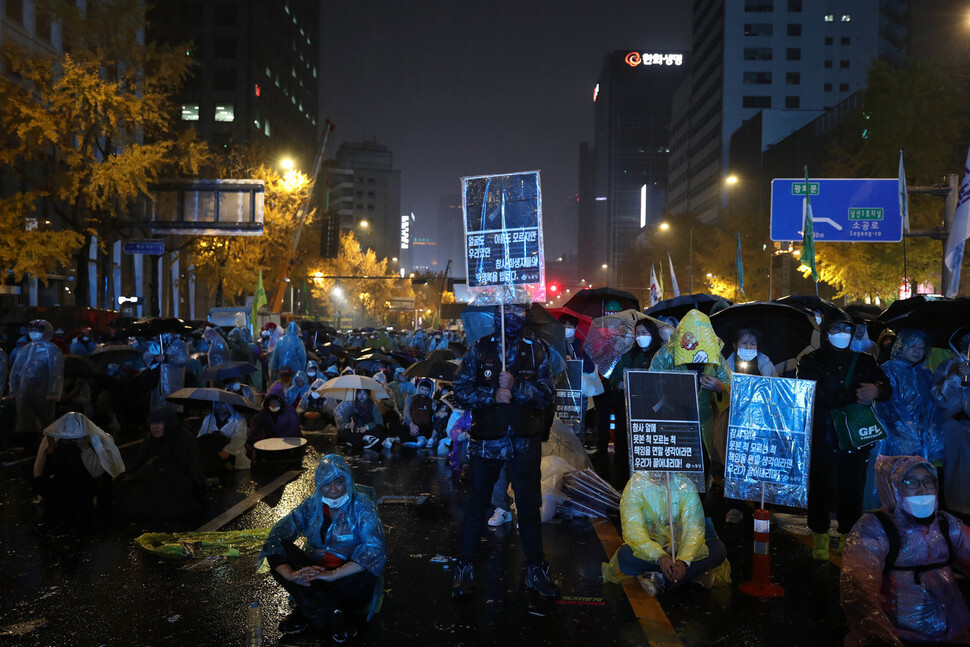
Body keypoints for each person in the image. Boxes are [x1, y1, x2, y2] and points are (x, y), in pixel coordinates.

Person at [451, 302, 558, 600]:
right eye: (507, 310)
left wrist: (517, 386)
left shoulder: (537, 349)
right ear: (497, 313)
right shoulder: (479, 349)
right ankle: (465, 567)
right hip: (486, 443)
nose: (513, 316)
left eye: (519, 310)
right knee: (476, 508)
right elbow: (459, 391)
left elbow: (547, 393)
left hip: (524, 443)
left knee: (528, 508)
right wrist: (492, 394)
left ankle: (536, 570)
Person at [841, 455, 970, 645]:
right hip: (901, 637)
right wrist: (881, 638)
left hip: (955, 636)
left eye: (928, 481)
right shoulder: (874, 528)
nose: (922, 488)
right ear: (892, 488)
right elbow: (858, 590)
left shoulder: (946, 525)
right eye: (911, 482)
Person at [797, 309, 891, 561]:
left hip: (855, 437)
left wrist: (876, 390)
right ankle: (820, 534)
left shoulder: (864, 360)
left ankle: (849, 533)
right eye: (837, 329)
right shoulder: (810, 361)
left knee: (853, 486)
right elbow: (810, 395)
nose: (843, 334)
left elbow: (886, 386)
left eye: (847, 329)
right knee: (821, 485)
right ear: (826, 332)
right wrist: (850, 395)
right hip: (822, 435)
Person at [259, 454, 385, 640]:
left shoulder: (361, 505)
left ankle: (310, 609)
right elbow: (277, 535)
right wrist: (292, 575)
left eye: (338, 482)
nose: (333, 490)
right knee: (279, 549)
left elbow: (374, 549)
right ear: (319, 486)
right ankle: (333, 613)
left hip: (347, 579)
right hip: (315, 574)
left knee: (366, 567)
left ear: (347, 481)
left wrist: (333, 574)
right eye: (326, 484)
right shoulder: (312, 504)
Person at [609, 471, 727, 596]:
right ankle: (692, 575)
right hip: (651, 552)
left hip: (679, 548)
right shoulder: (636, 485)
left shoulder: (684, 483)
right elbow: (633, 531)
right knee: (625, 557)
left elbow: (693, 527)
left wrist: (684, 560)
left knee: (718, 549)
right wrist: (659, 556)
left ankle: (660, 579)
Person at [650, 311, 731, 472]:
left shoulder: (715, 358)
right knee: (674, 468)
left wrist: (720, 387)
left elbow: (730, 385)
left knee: (702, 466)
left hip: (703, 424)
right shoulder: (666, 355)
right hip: (671, 423)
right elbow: (650, 384)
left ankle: (700, 496)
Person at [118, 406, 207, 519]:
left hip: (179, 486)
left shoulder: (182, 439)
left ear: (167, 423)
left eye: (159, 422)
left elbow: (192, 469)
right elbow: (137, 465)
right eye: (152, 423)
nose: (155, 427)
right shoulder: (150, 441)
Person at [33, 412, 125, 514]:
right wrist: (51, 447)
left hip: (83, 489)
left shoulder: (95, 439)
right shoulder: (57, 441)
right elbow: (44, 473)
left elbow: (99, 472)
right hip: (63, 489)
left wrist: (85, 447)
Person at [608, 318, 662, 461]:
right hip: (627, 409)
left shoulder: (661, 355)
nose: (640, 336)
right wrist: (620, 384)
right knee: (624, 447)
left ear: (653, 334)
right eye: (637, 333)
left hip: (653, 410)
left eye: (644, 332)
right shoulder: (629, 356)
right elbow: (614, 377)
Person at [9, 319, 64, 436]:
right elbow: (16, 372)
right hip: (23, 392)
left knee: (45, 420)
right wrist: (14, 392)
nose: (34, 332)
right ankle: (29, 444)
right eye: (32, 329)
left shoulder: (52, 349)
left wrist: (53, 393)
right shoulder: (25, 349)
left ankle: (48, 444)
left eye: (38, 330)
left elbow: (56, 373)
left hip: (43, 392)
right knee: (25, 419)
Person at [246, 382, 302, 459]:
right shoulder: (263, 413)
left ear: (281, 401)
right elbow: (254, 429)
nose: (273, 405)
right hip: (267, 446)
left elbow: (294, 429)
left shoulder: (290, 411)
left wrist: (277, 438)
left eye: (276, 402)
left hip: (289, 445)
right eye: (271, 402)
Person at [197, 401, 250, 472]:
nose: (219, 405)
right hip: (212, 464)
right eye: (216, 402)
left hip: (237, 466)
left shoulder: (240, 420)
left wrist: (226, 451)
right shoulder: (208, 419)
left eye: (223, 403)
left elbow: (238, 441)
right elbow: (201, 437)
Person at [143, 335, 189, 411]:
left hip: (173, 380)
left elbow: (184, 359)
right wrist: (155, 358)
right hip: (158, 381)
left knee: (172, 404)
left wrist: (167, 358)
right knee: (158, 407)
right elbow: (146, 357)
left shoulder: (179, 344)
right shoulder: (156, 344)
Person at [402, 378, 435, 447]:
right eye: (422, 389)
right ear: (418, 388)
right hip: (411, 425)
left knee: (423, 430)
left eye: (426, 390)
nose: (424, 392)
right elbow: (406, 412)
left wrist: (435, 408)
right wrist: (411, 424)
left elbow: (433, 417)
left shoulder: (431, 402)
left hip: (424, 428)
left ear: (430, 391)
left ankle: (420, 439)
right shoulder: (410, 398)